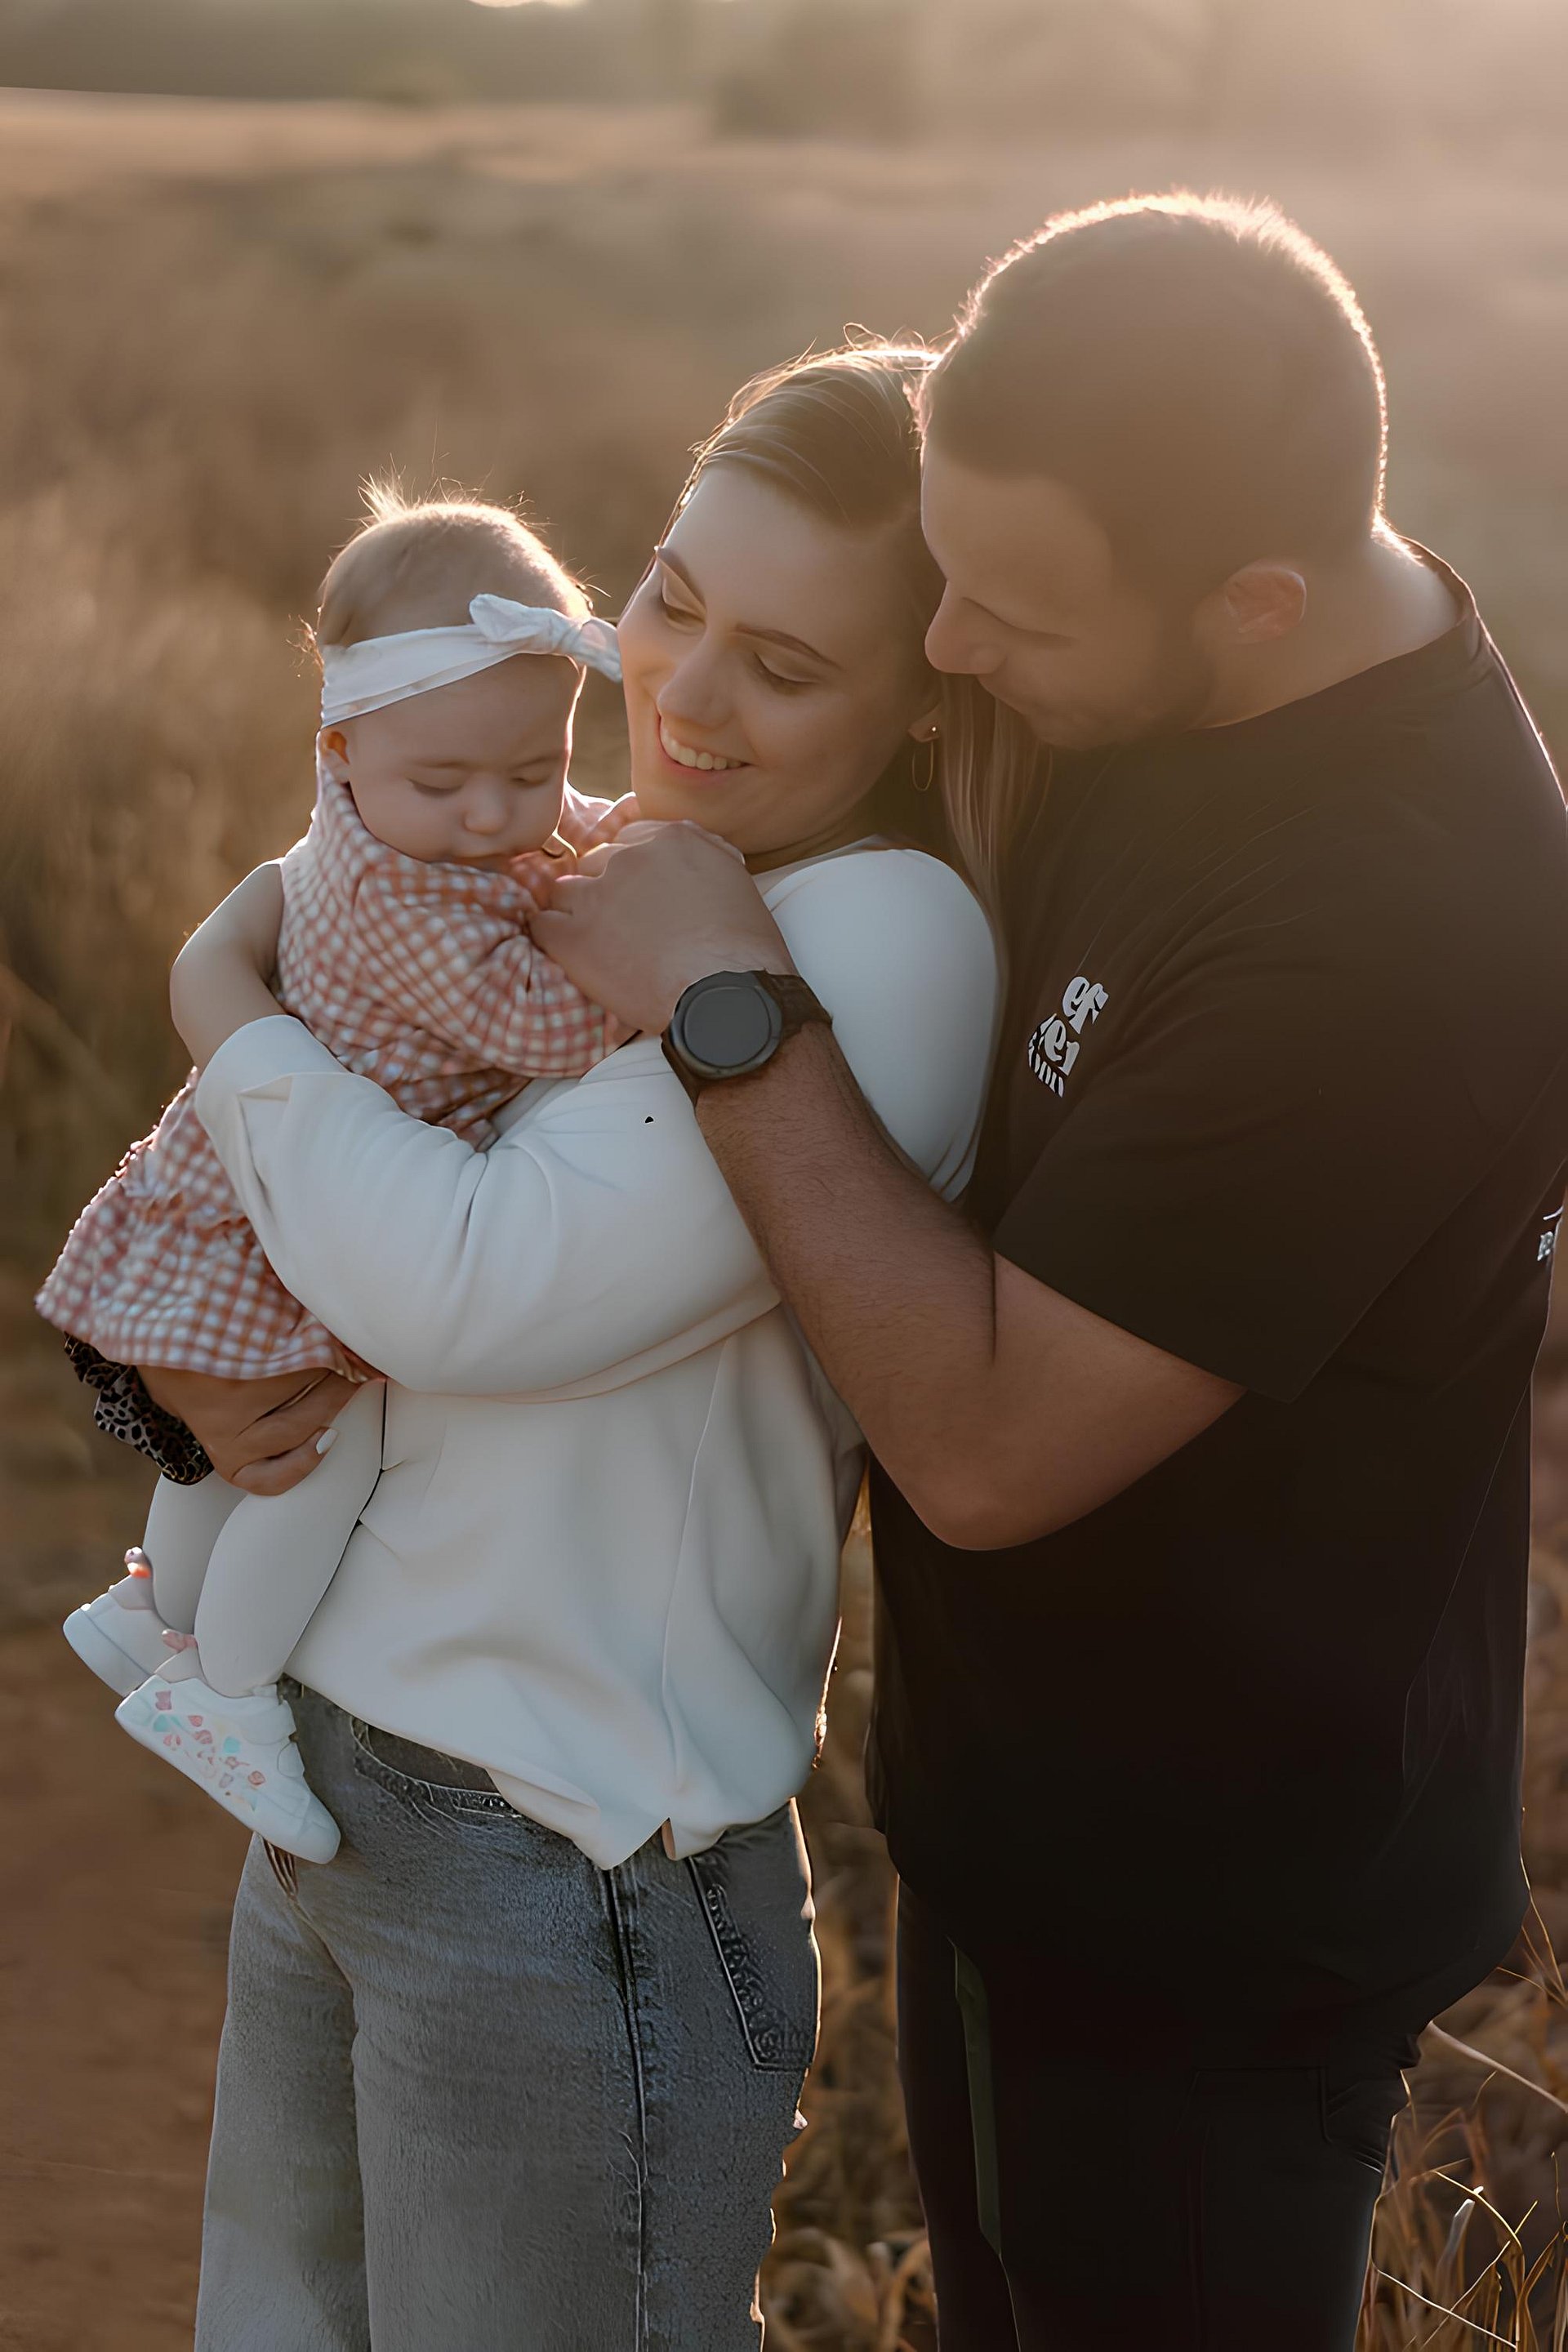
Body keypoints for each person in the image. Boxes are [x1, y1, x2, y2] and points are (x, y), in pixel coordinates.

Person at [525, 196, 1568, 2349]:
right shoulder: (1137, 614)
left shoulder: (1401, 932)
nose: (960, 654)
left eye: (1009, 615)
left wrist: (729, 1002)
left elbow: (993, 1449)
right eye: (946, 576)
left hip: (1217, 1923)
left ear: (1254, 604)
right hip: (1016, 1827)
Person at [126, 346, 1004, 2349]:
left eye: (787, 666)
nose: (686, 691)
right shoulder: (595, 847)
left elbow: (457, 1287)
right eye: (675, 597)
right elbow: (345, 1070)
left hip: (566, 1859)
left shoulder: (876, 938)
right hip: (344, 1781)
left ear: (921, 697)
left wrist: (218, 1003)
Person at [38, 490, 630, 1862]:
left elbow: (517, 791)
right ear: (344, 750)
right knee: (316, 1447)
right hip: (291, 1215)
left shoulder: (375, 806)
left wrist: (598, 821)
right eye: (448, 785)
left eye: (535, 770)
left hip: (259, 1191)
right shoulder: (401, 902)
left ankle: (152, 1612)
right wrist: (660, 967)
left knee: (240, 1438)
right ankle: (227, 1695)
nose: (497, 817)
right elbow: (548, 1026)